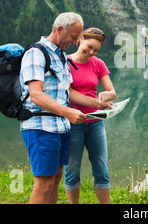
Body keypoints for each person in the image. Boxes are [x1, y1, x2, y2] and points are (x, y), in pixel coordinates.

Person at [19, 12, 89, 204]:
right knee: (44, 185)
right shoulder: (36, 53)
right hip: (41, 127)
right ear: (59, 30)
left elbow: (68, 92)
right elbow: (35, 94)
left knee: (56, 179)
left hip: (61, 128)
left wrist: (97, 104)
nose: (75, 42)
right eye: (74, 37)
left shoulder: (61, 56)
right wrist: (67, 112)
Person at [64, 27, 117, 204]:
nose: (91, 52)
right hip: (73, 122)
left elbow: (112, 91)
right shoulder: (66, 62)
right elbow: (69, 93)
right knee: (72, 170)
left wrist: (106, 95)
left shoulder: (98, 63)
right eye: (89, 46)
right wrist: (96, 102)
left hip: (95, 122)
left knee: (102, 170)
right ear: (80, 39)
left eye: (96, 50)